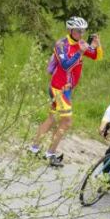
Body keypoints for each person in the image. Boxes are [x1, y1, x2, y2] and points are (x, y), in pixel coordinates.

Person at [29, 16, 103, 167]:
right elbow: (65, 66)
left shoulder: (80, 43)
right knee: (67, 122)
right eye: (78, 31)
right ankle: (49, 154)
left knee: (52, 119)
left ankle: (34, 149)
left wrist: (97, 45)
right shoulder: (61, 45)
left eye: (83, 31)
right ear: (70, 30)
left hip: (65, 89)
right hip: (59, 89)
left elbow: (96, 56)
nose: (81, 34)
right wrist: (80, 53)